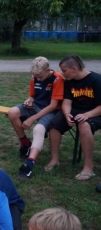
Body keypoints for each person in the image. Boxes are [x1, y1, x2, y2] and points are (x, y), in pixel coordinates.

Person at [7, 56, 64, 180]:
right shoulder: (34, 77)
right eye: (36, 76)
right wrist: (29, 100)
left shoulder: (57, 79)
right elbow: (32, 96)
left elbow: (53, 105)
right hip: (36, 106)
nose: (38, 79)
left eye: (40, 77)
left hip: (51, 110)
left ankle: (29, 163)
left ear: (48, 70)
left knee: (38, 129)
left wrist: (32, 119)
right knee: (12, 112)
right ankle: (25, 144)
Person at [47, 55, 101, 184]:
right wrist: (66, 114)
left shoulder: (96, 80)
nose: (62, 74)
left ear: (74, 68)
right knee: (54, 124)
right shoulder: (69, 82)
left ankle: (88, 167)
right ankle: (54, 159)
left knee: (84, 125)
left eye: (64, 70)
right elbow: (67, 102)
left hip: (96, 113)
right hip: (75, 111)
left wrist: (87, 114)